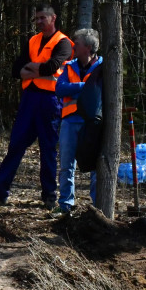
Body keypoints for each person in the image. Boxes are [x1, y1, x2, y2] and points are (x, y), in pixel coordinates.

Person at [0, 3, 73, 209]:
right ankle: (0, 192)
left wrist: (31, 68)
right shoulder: (32, 40)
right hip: (29, 99)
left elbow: (52, 66)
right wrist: (37, 70)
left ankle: (49, 195)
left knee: (48, 148)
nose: (39, 22)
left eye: (43, 18)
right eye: (36, 18)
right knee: (16, 145)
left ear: (53, 18)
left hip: (50, 101)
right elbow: (15, 69)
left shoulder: (64, 43)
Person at [53, 28, 102, 216]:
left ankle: (98, 208)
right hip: (70, 121)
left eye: (78, 43)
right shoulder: (69, 66)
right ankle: (65, 205)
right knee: (67, 166)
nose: (73, 46)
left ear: (88, 48)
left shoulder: (103, 66)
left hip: (93, 124)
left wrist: (75, 88)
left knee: (96, 167)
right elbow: (59, 88)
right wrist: (85, 86)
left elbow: (103, 91)